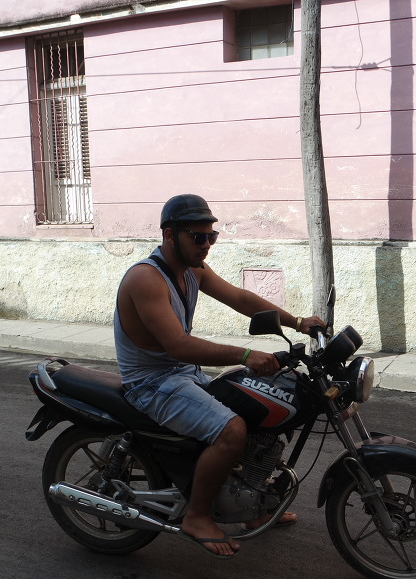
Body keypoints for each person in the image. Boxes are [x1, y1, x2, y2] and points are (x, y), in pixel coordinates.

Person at [114, 194, 325, 558]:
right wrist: (245, 355)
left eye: (211, 236)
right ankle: (196, 517)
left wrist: (297, 322)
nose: (206, 245)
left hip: (183, 374)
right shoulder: (146, 279)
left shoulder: (193, 271)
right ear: (170, 235)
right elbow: (178, 345)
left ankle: (252, 505)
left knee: (260, 409)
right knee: (232, 431)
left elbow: (240, 299)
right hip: (151, 383)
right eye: (198, 237)